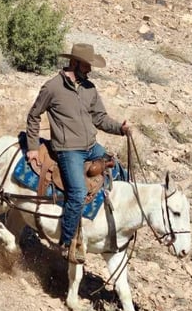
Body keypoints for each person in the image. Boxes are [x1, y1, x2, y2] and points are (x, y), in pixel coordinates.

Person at [26, 43, 131, 262]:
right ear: (73, 63)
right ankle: (65, 243)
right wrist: (33, 148)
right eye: (86, 65)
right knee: (78, 193)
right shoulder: (52, 87)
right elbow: (34, 115)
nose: (90, 70)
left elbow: (100, 118)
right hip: (68, 150)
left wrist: (120, 129)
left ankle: (115, 225)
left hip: (91, 146)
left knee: (120, 170)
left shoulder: (89, 88)